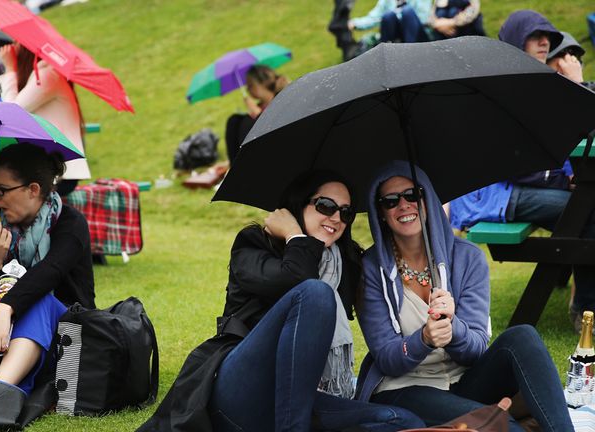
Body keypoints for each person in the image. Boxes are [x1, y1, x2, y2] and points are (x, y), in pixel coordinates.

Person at [139, 171, 425, 432]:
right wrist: (294, 235)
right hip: (239, 394)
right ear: (300, 204)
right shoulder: (253, 243)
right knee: (316, 294)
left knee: (401, 421)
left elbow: (392, 271)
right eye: (325, 206)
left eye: (346, 212)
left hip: (297, 401)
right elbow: (299, 281)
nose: (336, 217)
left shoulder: (346, 263)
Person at [356, 161, 574, 431]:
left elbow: (475, 349)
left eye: (413, 195)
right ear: (380, 212)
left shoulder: (467, 258)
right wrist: (423, 339)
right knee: (500, 424)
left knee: (523, 336)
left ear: (427, 199)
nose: (404, 205)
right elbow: (387, 357)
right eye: (390, 200)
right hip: (406, 388)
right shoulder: (370, 268)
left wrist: (453, 328)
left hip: (464, 382)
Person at [450, 9, 595, 332]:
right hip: (494, 195)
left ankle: (583, 299)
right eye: (536, 36)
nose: (546, 42)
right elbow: (516, 162)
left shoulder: (534, 83)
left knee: (585, 204)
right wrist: (563, 179)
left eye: (549, 37)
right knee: (585, 210)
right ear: (517, 41)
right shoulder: (507, 84)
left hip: (514, 188)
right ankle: (586, 308)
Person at [0, 143, 95, 394]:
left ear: (33, 190)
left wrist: (5, 308)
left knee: (37, 297)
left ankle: (0, 392)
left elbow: (48, 274)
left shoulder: (69, 224)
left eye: (2, 189)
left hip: (68, 337)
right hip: (3, 338)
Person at [0, 43, 89, 193]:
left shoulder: (48, 74)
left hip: (59, 173)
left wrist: (10, 68)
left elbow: (12, 111)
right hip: (48, 170)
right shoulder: (43, 74)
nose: (12, 48)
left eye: (16, 43)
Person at [224, 65, 289, 164]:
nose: (247, 90)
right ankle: (235, 166)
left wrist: (257, 113)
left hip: (276, 151)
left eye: (250, 85)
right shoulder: (259, 106)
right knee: (234, 120)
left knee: (244, 122)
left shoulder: (282, 101)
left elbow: (277, 131)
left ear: (263, 83)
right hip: (255, 154)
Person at [349, 0, 432, 43]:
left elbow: (423, 18)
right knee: (388, 16)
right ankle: (386, 51)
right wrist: (355, 23)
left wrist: (399, 13)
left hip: (417, 35)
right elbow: (374, 18)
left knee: (407, 12)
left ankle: (409, 54)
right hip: (397, 33)